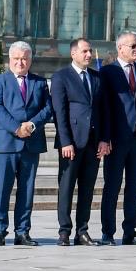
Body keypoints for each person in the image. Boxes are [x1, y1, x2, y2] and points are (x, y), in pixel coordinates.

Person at [0, 41, 51, 245]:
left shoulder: (40, 83)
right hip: (6, 144)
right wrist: (17, 128)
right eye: (16, 58)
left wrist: (31, 125)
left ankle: (22, 231)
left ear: (30, 60)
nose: (20, 62)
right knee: (2, 190)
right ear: (9, 60)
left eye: (24, 58)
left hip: (31, 144)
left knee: (27, 189)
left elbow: (47, 109)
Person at [51, 37, 110, 246]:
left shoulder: (97, 77)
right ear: (73, 54)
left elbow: (104, 111)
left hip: (93, 143)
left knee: (87, 188)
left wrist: (104, 139)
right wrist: (65, 141)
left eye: (90, 51)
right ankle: (64, 231)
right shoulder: (61, 77)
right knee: (66, 187)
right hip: (72, 143)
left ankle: (82, 230)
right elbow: (60, 112)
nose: (88, 55)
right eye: (84, 51)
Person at [99, 31, 136, 244]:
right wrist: (104, 137)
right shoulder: (107, 72)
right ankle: (108, 231)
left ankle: (130, 231)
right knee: (112, 186)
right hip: (116, 139)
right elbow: (104, 107)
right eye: (132, 46)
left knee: (134, 186)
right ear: (120, 48)